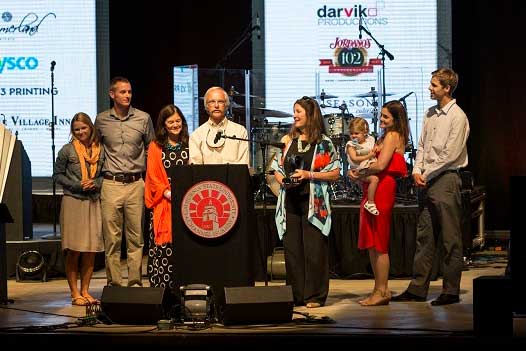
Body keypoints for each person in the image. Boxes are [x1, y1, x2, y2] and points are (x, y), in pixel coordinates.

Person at [391, 68, 469, 306]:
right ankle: (417, 288)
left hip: (445, 179)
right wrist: (416, 170)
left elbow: (451, 154)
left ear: (447, 88)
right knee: (424, 236)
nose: (429, 88)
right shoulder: (429, 114)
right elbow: (422, 146)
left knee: (450, 238)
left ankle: (451, 290)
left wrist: (427, 172)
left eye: (434, 85)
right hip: (426, 179)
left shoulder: (458, 116)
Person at [271, 96, 340, 308]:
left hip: (313, 203)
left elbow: (335, 172)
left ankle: (315, 296)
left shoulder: (323, 143)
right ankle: (296, 294)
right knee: (292, 249)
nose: (295, 115)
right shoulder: (288, 140)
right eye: (294, 111)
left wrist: (309, 175)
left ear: (310, 115)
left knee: (314, 249)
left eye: (299, 111)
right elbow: (276, 166)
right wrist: (282, 178)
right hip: (290, 200)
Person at [95, 76, 155, 287]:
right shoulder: (101, 119)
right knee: (112, 239)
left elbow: (152, 149)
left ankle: (135, 282)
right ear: (112, 94)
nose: (127, 95)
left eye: (129, 92)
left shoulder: (143, 118)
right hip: (111, 183)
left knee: (136, 238)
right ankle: (114, 284)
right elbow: (95, 150)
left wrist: (149, 180)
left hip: (135, 183)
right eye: (122, 92)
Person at [348, 100, 409, 306]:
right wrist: (359, 173)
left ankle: (382, 291)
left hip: (383, 188)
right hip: (375, 185)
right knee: (373, 242)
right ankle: (379, 289)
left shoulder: (392, 136)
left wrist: (360, 172)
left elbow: (382, 164)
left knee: (379, 242)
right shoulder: (385, 136)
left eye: (386, 116)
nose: (381, 119)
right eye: (381, 115)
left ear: (395, 119)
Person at [53, 112, 105, 306]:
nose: (81, 132)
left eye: (83, 128)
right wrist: (76, 185)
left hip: (93, 201)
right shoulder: (67, 150)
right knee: (74, 250)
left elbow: (105, 174)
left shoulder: (100, 149)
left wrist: (96, 183)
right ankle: (75, 293)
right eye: (76, 129)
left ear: (90, 127)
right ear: (72, 132)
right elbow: (57, 176)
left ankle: (86, 291)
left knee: (90, 250)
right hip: (73, 201)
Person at [144, 104, 189, 290]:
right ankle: (163, 292)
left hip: (186, 204)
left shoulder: (190, 143)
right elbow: (153, 175)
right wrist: (168, 192)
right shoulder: (155, 146)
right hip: (164, 202)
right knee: (163, 249)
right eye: (170, 122)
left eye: (178, 121)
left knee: (183, 247)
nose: (175, 125)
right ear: (163, 124)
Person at [189, 86, 249, 165]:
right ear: (206, 106)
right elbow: (195, 170)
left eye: (220, 101)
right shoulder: (196, 135)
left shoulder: (240, 131)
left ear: (226, 105)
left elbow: (243, 167)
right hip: (206, 177)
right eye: (212, 102)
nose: (216, 105)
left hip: (234, 177)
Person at [346, 117, 380, 215]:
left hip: (368, 165)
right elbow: (354, 158)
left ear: (365, 132)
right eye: (351, 133)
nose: (353, 136)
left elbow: (375, 148)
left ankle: (369, 200)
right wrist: (369, 156)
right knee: (374, 179)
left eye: (356, 133)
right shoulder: (351, 144)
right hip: (358, 168)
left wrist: (376, 149)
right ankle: (370, 202)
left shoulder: (370, 140)